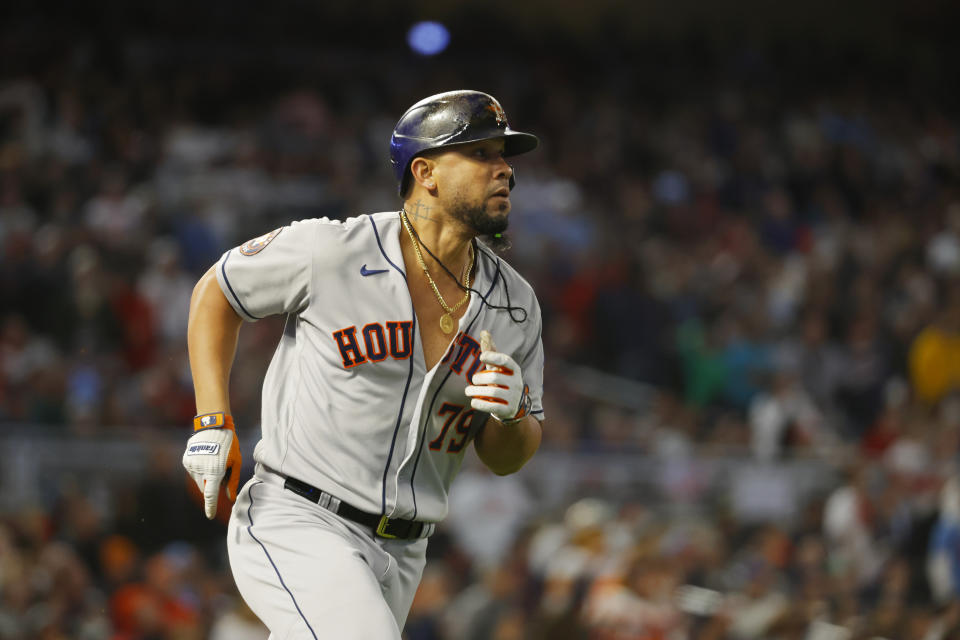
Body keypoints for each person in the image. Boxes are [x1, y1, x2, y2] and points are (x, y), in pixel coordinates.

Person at [181, 90, 546, 639]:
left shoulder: (516, 305)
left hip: (404, 553)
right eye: (481, 154)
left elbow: (506, 459)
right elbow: (218, 291)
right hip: (299, 518)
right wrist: (213, 420)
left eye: (504, 156)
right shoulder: (335, 250)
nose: (504, 171)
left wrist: (512, 414)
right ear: (425, 172)